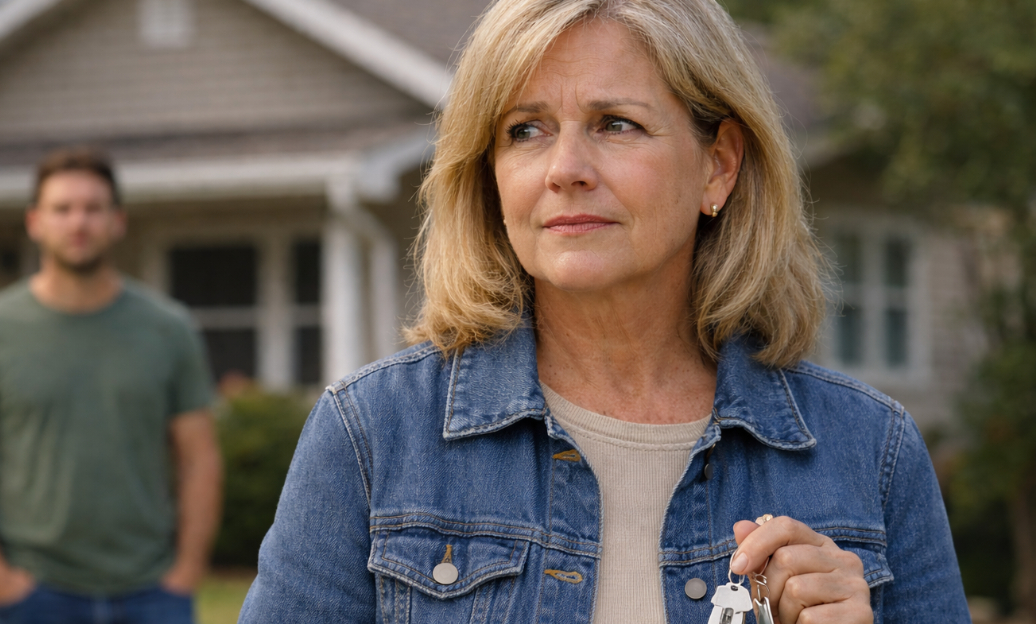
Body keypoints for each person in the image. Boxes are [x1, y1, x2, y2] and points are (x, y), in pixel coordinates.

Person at [237, 0, 970, 622]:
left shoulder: (873, 453)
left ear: (718, 165)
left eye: (615, 123)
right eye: (525, 130)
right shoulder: (370, 437)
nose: (565, 170)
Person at [0, 147, 223, 624]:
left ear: (117, 221)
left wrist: (187, 571)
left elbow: (199, 458)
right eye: (62, 209)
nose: (78, 222)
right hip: (33, 593)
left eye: (92, 208)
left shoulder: (169, 329)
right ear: (34, 221)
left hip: (152, 595)